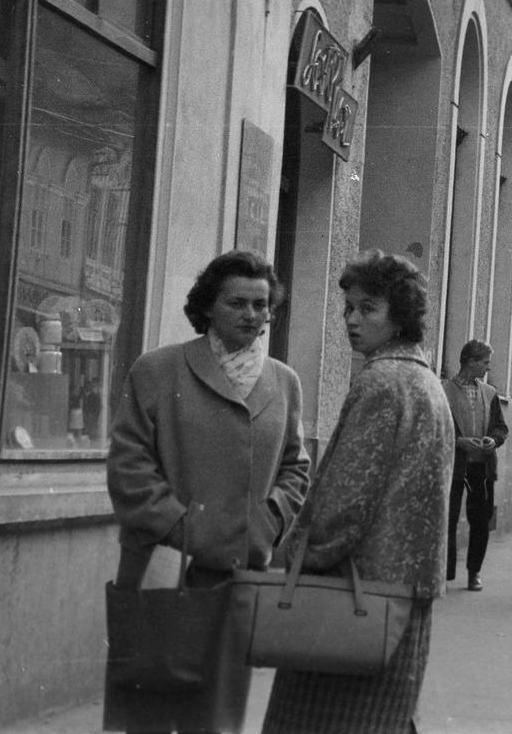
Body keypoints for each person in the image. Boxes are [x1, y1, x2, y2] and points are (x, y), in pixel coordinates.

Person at [106, 250, 310, 734]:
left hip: (236, 575)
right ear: (208, 307)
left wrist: (266, 523)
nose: (252, 315)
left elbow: (296, 468)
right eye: (238, 303)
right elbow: (128, 467)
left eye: (262, 305)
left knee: (216, 718)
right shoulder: (157, 370)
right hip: (165, 568)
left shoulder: (284, 383)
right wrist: (188, 528)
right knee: (148, 713)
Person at [261, 250, 451, 734]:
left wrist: (294, 555)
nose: (352, 319)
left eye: (369, 308)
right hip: (404, 594)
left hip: (354, 595)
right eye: (348, 307)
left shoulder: (381, 382)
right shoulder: (426, 382)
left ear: (400, 315)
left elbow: (344, 501)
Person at [444, 340, 508, 592]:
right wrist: (458, 442)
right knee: (446, 520)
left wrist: (494, 440)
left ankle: (474, 573)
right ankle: (445, 574)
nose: (487, 368)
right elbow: (434, 427)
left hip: (482, 467)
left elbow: (501, 427)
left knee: (481, 521)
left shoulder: (489, 392)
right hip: (453, 467)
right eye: (484, 363)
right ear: (470, 361)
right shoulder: (443, 390)